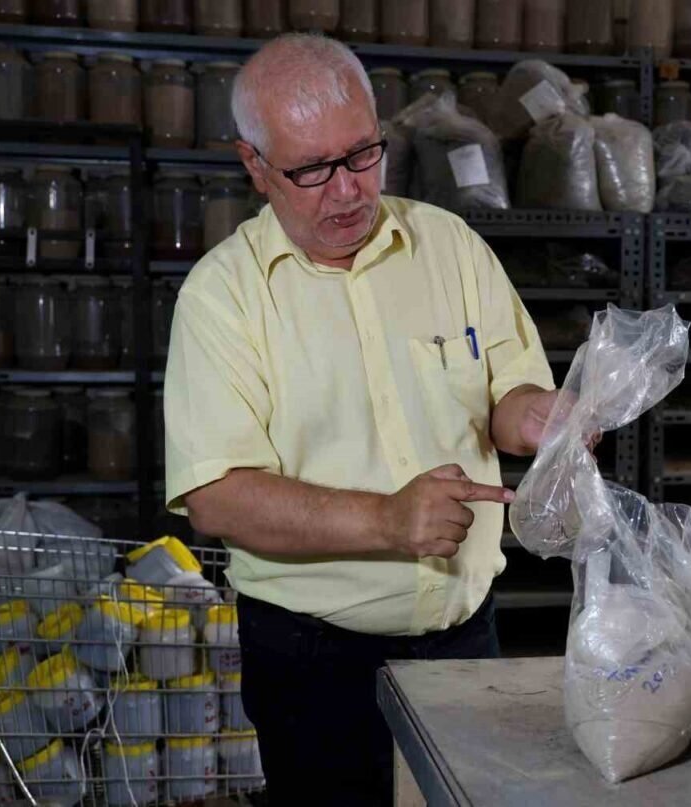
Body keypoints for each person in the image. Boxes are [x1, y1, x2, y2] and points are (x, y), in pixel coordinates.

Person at [163, 34, 559, 804]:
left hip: (467, 643)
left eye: (363, 155)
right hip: (316, 666)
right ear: (254, 165)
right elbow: (218, 496)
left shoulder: (450, 246)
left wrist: (537, 417)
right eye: (312, 169)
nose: (347, 190)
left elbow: (508, 394)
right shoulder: (222, 297)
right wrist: (387, 519)